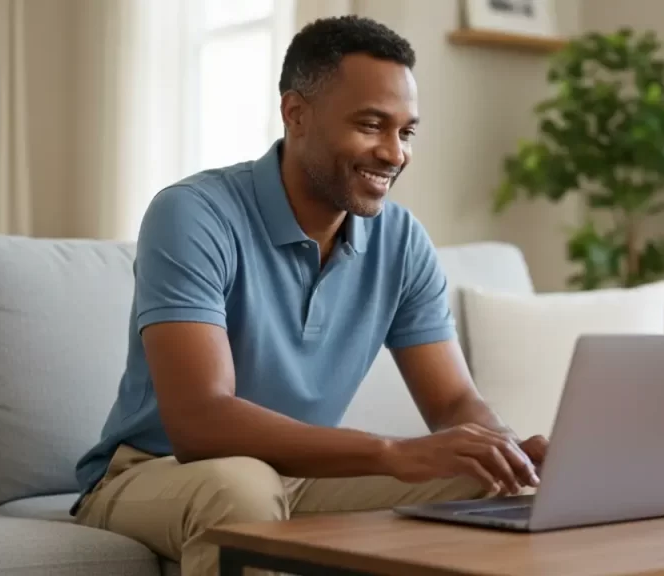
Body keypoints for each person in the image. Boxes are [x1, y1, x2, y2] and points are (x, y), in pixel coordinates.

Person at [71, 14, 548, 576]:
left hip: (301, 477)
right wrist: (392, 453)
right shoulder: (194, 214)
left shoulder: (401, 240)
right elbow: (201, 422)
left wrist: (510, 451)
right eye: (371, 125)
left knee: (496, 484)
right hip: (157, 471)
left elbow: (452, 404)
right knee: (241, 487)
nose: (394, 153)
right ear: (295, 114)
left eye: (406, 132)